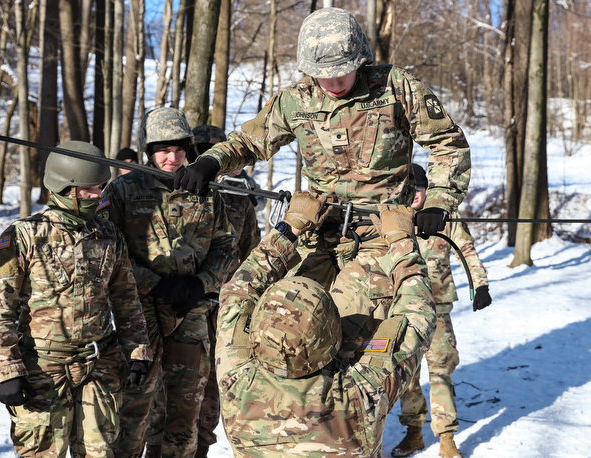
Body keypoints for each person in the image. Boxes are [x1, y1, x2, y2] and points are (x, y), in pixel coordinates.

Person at [175, 7, 470, 353]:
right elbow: (249, 142)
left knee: (351, 339)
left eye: (342, 72)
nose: (333, 83)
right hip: (317, 233)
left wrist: (438, 201)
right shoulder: (295, 101)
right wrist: (211, 162)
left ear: (359, 60)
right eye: (322, 74)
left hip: (379, 238)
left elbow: (448, 143)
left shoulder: (395, 88)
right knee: (286, 333)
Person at [216, 192, 436, 457]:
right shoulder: (360, 393)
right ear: (335, 337)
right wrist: (402, 240)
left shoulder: (235, 381)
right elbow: (416, 319)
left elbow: (236, 295)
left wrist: (289, 228)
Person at [0, 141, 152, 457]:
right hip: (43, 367)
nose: (96, 196)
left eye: (100, 188)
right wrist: (6, 370)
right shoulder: (23, 236)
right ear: (65, 188)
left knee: (99, 451)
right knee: (43, 451)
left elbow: (126, 297)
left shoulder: (108, 235)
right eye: (87, 191)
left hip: (99, 365)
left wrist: (137, 350)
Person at [99, 108, 237, 458]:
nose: (171, 157)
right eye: (162, 149)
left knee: (185, 408)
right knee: (134, 404)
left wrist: (201, 284)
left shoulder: (205, 190)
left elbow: (225, 245)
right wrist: (153, 284)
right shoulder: (122, 190)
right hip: (139, 312)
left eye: (178, 149)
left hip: (191, 310)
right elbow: (107, 249)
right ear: (148, 151)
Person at [391, 164, 492, 458]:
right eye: (408, 191)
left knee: (441, 370)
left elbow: (466, 249)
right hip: (400, 309)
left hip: (436, 307)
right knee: (404, 374)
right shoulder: (392, 217)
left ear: (427, 190)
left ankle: (446, 437)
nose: (413, 197)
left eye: (418, 191)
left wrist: (480, 285)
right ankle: (414, 431)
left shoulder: (444, 215)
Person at [191, 124, 261, 457]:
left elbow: (253, 252)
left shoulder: (239, 199)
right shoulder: (180, 192)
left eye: (213, 151)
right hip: (183, 305)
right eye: (200, 150)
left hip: (227, 309)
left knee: (215, 388)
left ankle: (202, 446)